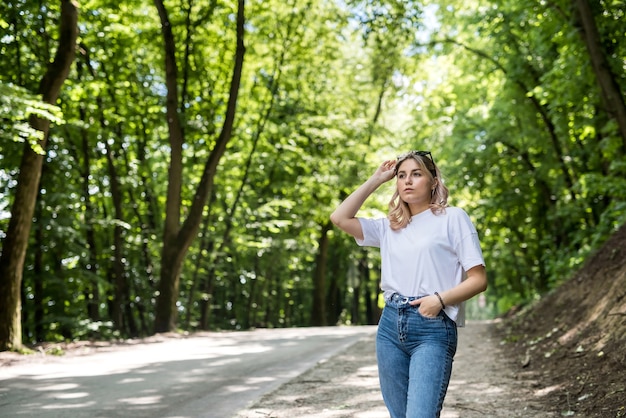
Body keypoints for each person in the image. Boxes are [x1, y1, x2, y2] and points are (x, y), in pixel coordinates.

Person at [330, 150, 487, 418]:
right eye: (401, 176)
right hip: (390, 326)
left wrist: (438, 300)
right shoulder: (389, 227)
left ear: (433, 180)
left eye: (416, 174)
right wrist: (376, 179)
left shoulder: (453, 218)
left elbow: (479, 279)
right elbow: (339, 218)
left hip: (433, 327)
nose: (408, 181)